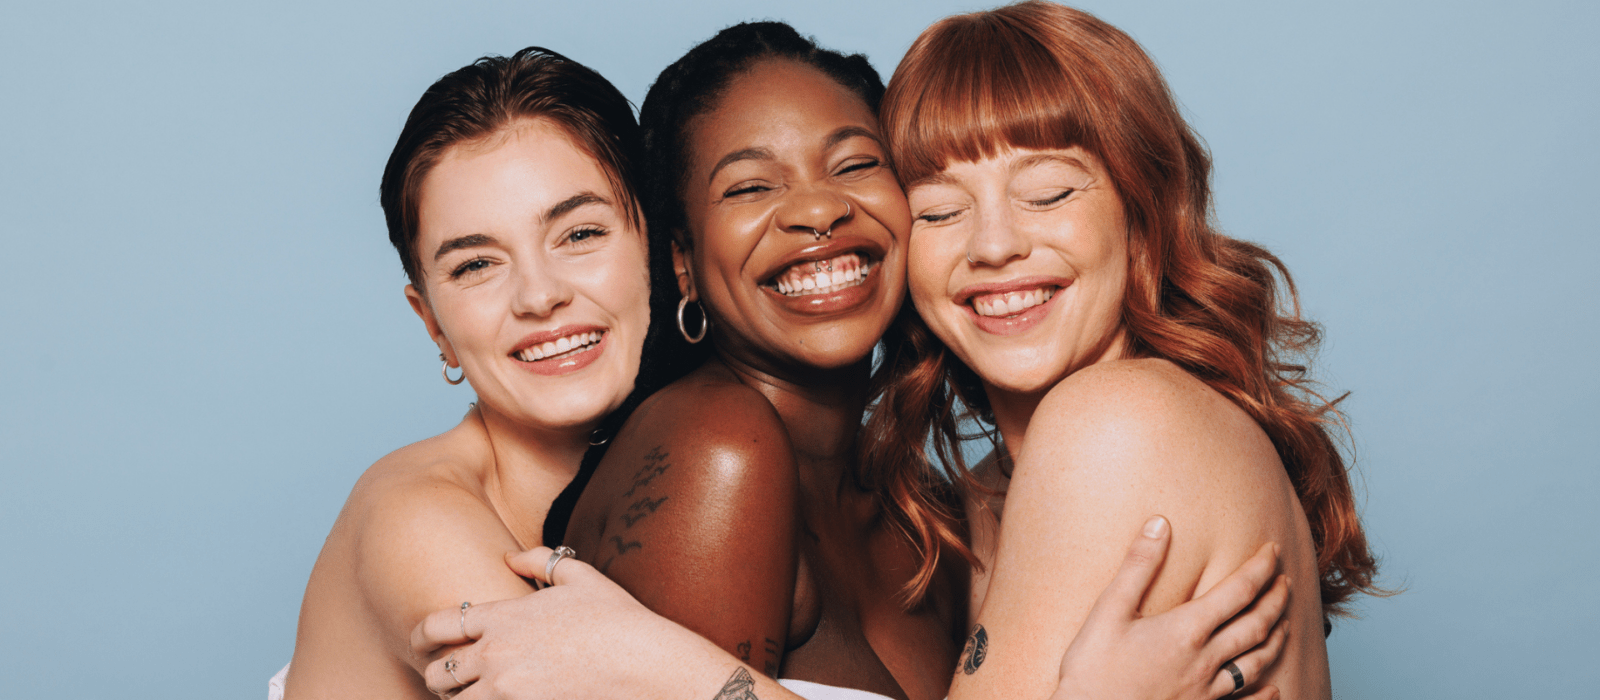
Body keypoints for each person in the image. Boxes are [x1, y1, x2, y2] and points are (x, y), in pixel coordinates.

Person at [413, 21, 1289, 700]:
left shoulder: (988, 489)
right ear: (681, 258)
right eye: (751, 186)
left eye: (857, 165)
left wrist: (663, 668)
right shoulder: (728, 451)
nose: (818, 212)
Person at [872, 3, 1385, 698]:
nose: (993, 245)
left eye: (1048, 194)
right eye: (939, 211)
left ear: (1140, 211)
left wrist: (668, 656)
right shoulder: (989, 491)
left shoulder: (1115, 424)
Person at [278, 46, 681, 699]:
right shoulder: (418, 522)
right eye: (475, 266)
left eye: (579, 234)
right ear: (433, 323)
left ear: (663, 248)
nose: (538, 295)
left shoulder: (707, 471)